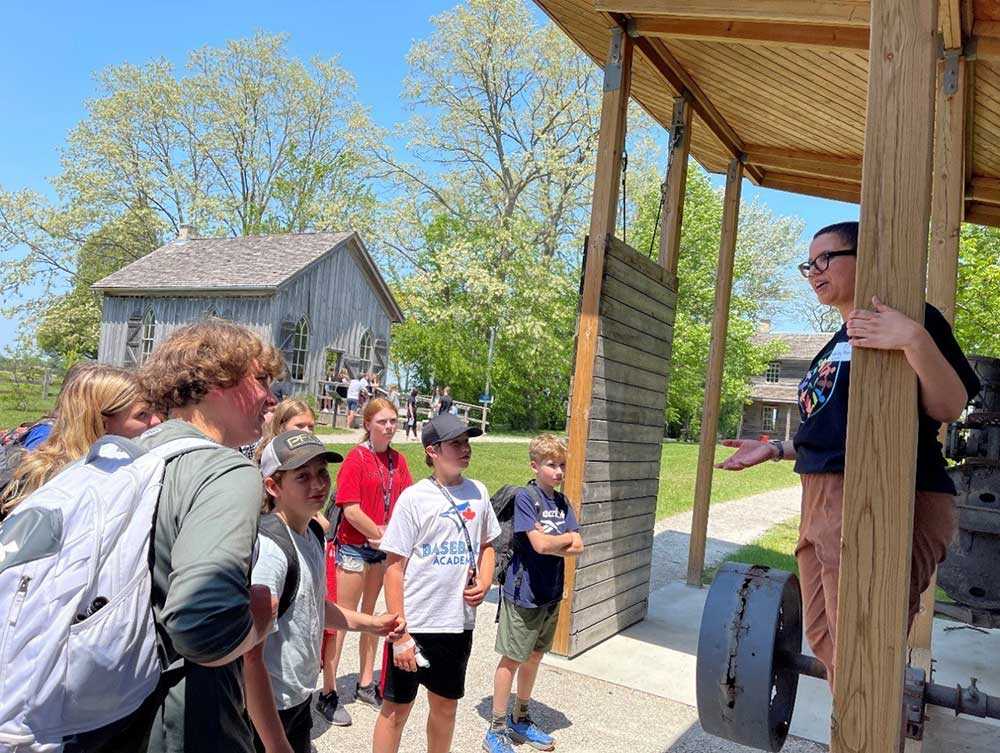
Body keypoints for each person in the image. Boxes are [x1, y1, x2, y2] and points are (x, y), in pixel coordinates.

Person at [716, 221, 981, 690]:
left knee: (863, 647)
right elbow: (832, 431)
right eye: (808, 264)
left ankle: (867, 736)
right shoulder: (834, 342)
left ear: (866, 256)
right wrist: (775, 448)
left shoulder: (909, 318)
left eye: (826, 259)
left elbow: (949, 405)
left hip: (885, 492)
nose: (814, 272)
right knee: (826, 639)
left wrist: (913, 339)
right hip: (821, 495)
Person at [65, 319, 284, 753]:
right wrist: (258, 620)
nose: (271, 398)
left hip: (100, 712)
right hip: (184, 722)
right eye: (261, 379)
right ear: (215, 380)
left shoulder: (129, 457)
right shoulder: (226, 472)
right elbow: (201, 625)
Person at [245, 430, 405, 753]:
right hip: (269, 706)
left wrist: (371, 624)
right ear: (273, 486)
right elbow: (250, 659)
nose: (318, 485)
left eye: (322, 473)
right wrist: (276, 744)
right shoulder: (272, 552)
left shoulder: (310, 534)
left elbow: (314, 606)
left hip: (298, 695)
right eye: (302, 476)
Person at [373, 413, 501, 753]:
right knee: (396, 710)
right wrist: (400, 634)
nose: (465, 449)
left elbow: (488, 545)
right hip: (415, 623)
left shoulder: (478, 492)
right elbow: (394, 568)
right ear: (432, 450)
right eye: (456, 443)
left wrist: (486, 580)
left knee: (445, 707)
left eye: (467, 442)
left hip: (457, 624)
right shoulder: (414, 499)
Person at [484, 434, 583, 753]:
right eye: (551, 465)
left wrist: (561, 541)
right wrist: (564, 540)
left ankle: (520, 717)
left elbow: (579, 545)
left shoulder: (562, 502)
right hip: (523, 593)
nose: (558, 471)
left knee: (535, 656)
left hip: (550, 593)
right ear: (535, 465)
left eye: (562, 465)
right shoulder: (527, 498)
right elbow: (538, 545)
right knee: (512, 658)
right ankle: (496, 728)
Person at [319, 397, 413, 726]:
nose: (389, 426)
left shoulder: (398, 461)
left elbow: (405, 502)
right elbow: (350, 507)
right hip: (354, 548)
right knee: (343, 620)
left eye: (393, 421)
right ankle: (328, 691)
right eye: (382, 421)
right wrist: (379, 533)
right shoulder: (357, 459)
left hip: (381, 551)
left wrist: (394, 538)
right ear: (368, 424)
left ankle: (364, 683)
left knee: (373, 618)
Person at [0, 364, 160, 514]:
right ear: (101, 424)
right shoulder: (50, 482)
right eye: (142, 415)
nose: (157, 421)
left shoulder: (126, 469)